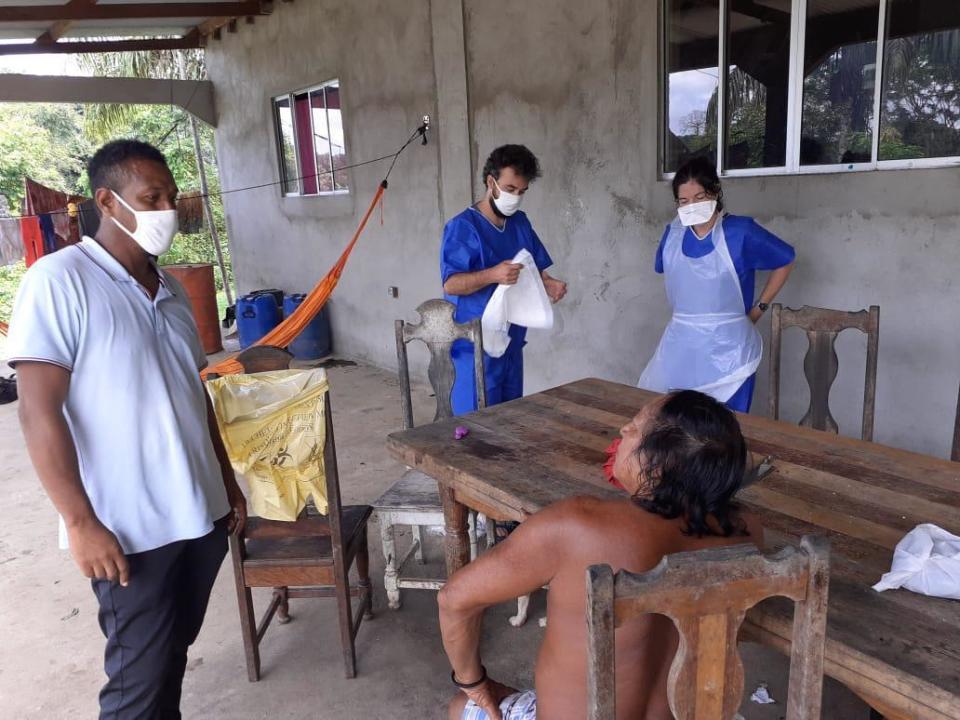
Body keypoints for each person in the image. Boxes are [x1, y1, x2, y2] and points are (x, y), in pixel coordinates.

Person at [8, 140, 247, 720]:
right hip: (129, 530)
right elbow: (37, 411)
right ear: (108, 202)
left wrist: (227, 482)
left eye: (170, 195)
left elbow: (196, 395)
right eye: (152, 197)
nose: (168, 208)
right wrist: (80, 521)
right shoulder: (60, 281)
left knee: (169, 654)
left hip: (199, 514)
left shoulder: (170, 291)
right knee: (136, 684)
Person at [438, 390, 763, 720]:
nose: (623, 430)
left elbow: (454, 599)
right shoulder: (748, 531)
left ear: (661, 462)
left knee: (461, 706)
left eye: (635, 427)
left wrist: (473, 681)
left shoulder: (577, 526)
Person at [638, 157, 795, 412]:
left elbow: (786, 260)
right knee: (674, 423)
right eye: (684, 201)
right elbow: (663, 266)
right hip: (681, 346)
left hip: (729, 350)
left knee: (726, 425)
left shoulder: (741, 231)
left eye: (700, 197)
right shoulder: (674, 234)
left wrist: (758, 309)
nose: (692, 206)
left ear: (715, 193)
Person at [441, 144, 567, 415]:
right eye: (510, 189)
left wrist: (550, 283)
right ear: (491, 182)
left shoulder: (520, 222)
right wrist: (493, 275)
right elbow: (451, 283)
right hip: (474, 347)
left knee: (508, 420)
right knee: (474, 426)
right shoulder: (464, 227)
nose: (516, 197)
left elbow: (533, 269)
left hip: (511, 342)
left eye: (522, 192)